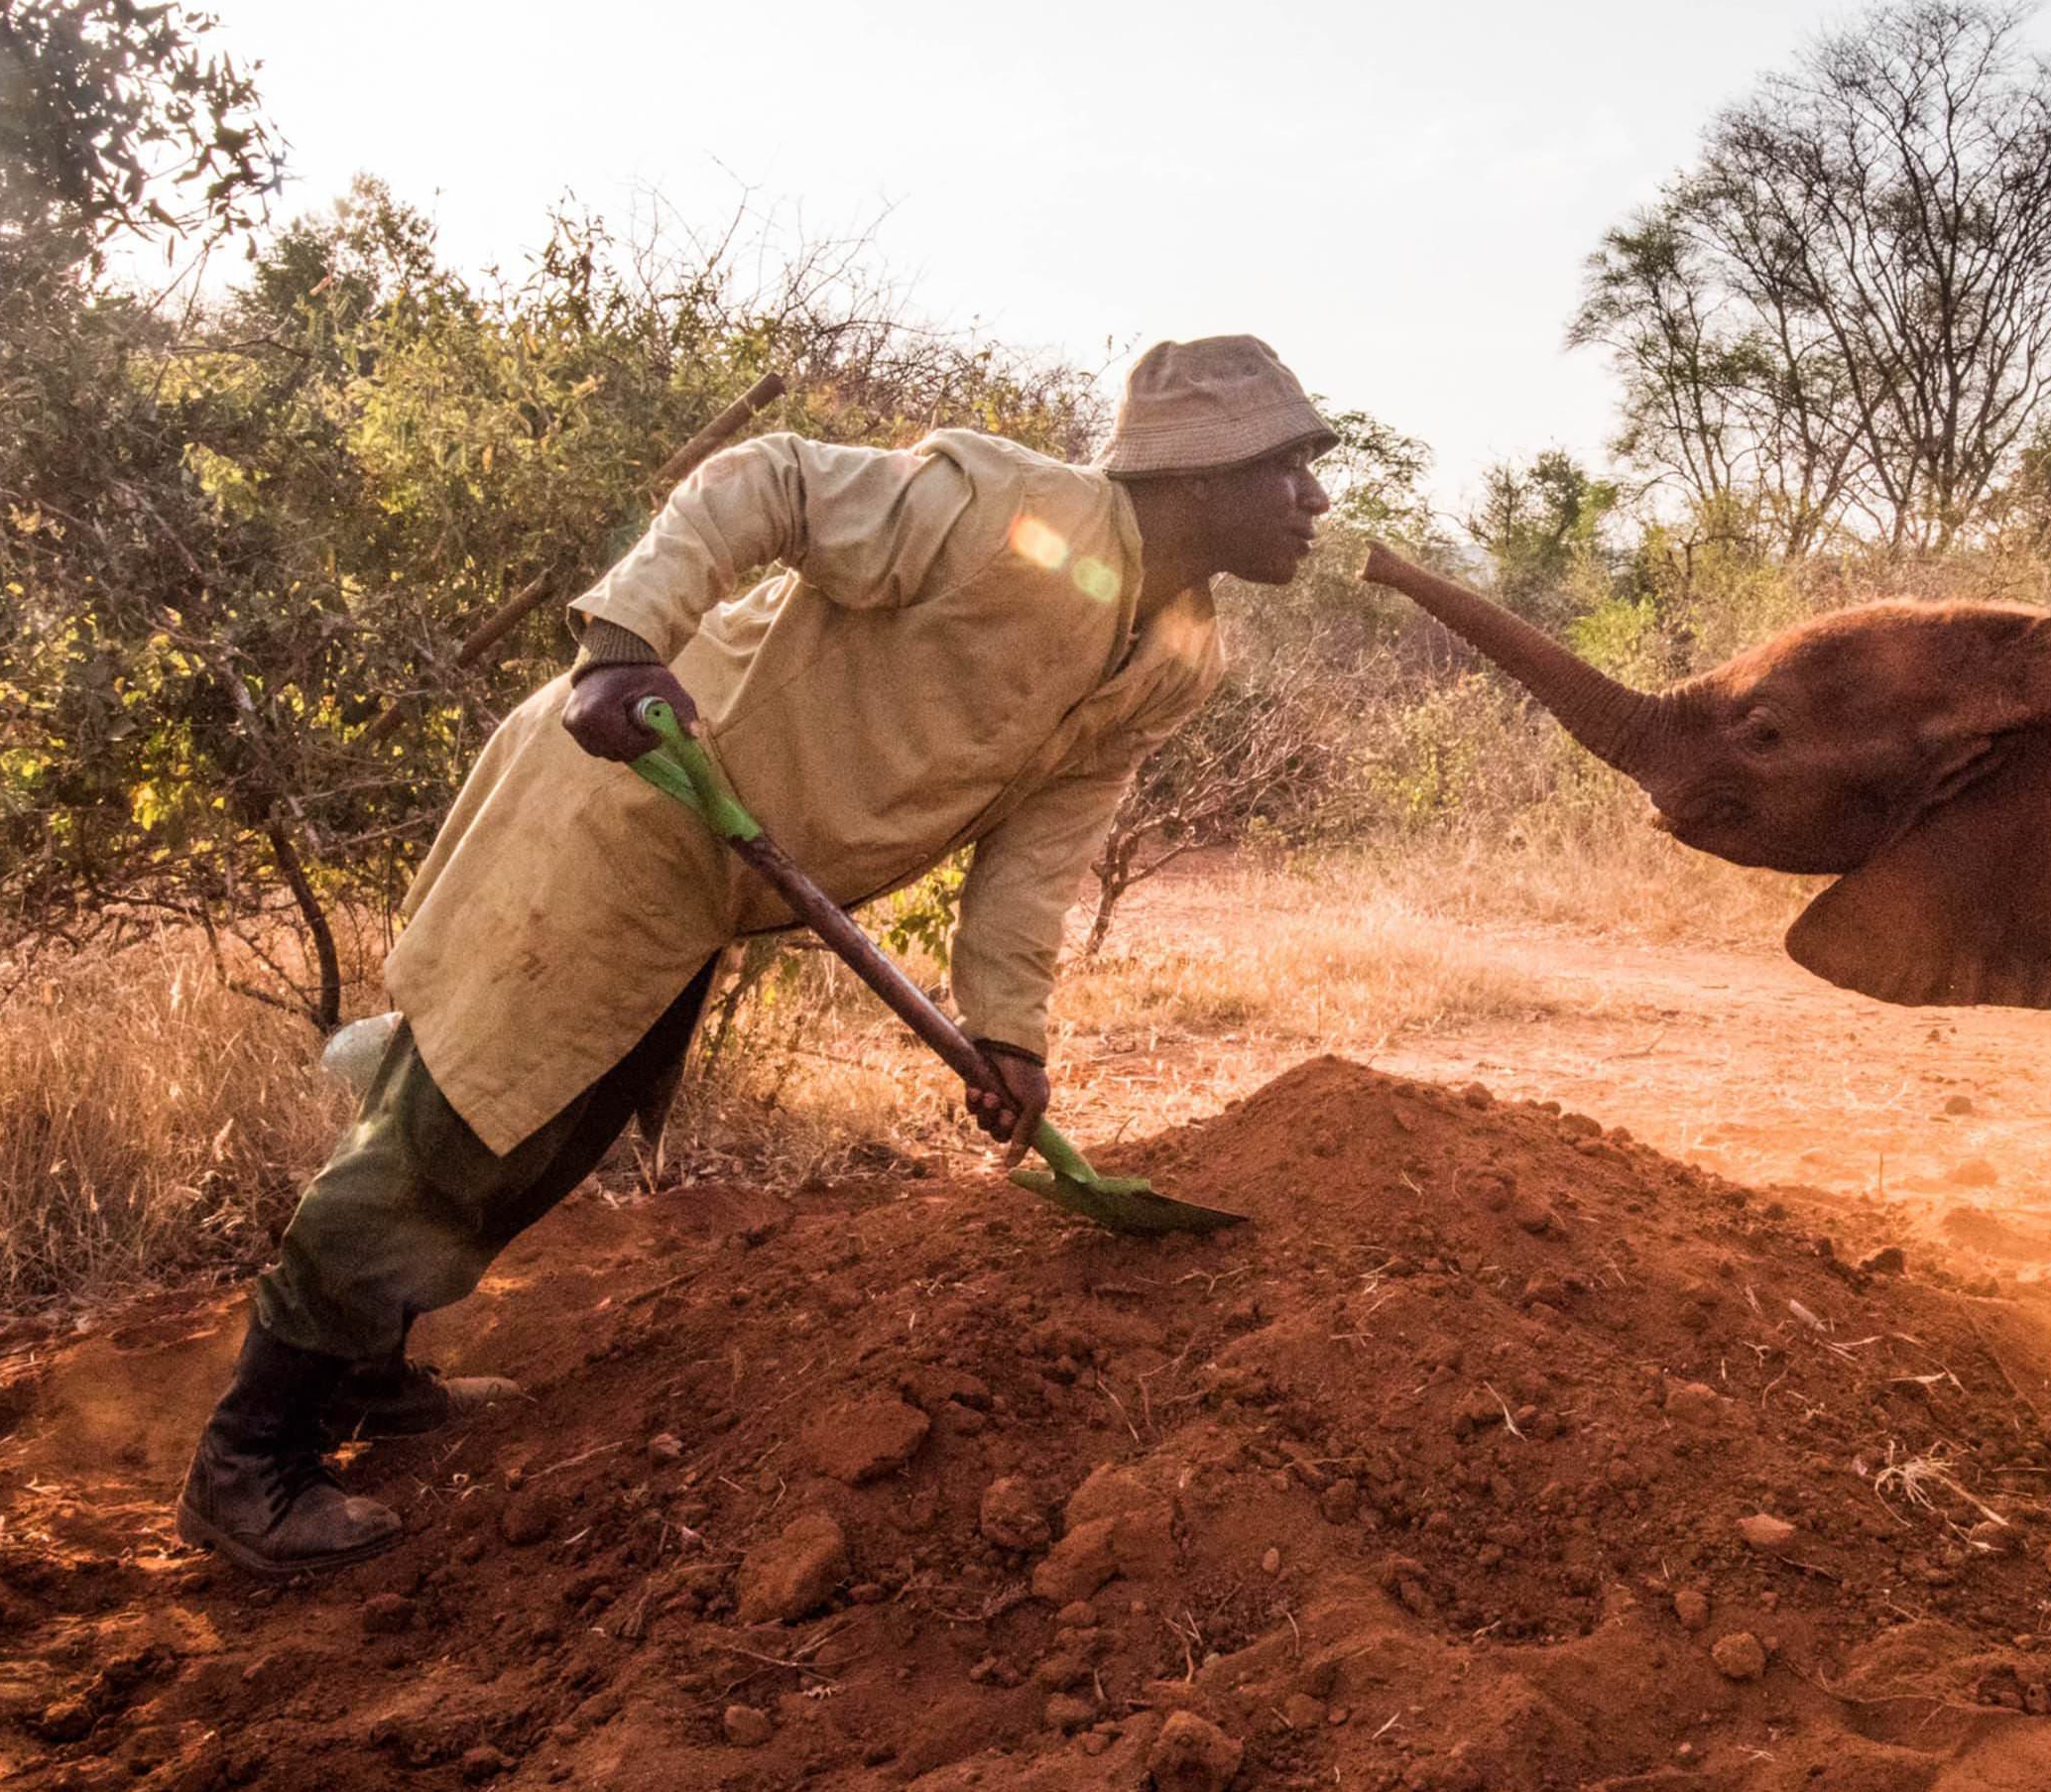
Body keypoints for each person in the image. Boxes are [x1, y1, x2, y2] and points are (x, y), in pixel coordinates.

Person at [178, 336, 1337, 1575]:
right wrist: (625, 639)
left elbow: (1044, 847)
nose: (1317, 501)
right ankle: (249, 1460)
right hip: (629, 795)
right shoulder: (1007, 509)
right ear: (1202, 469)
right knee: (457, 1126)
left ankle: (365, 1371)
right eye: (1291, 468)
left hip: (715, 872)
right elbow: (771, 481)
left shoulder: (1178, 655)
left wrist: (1009, 1026)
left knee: (550, 1132)